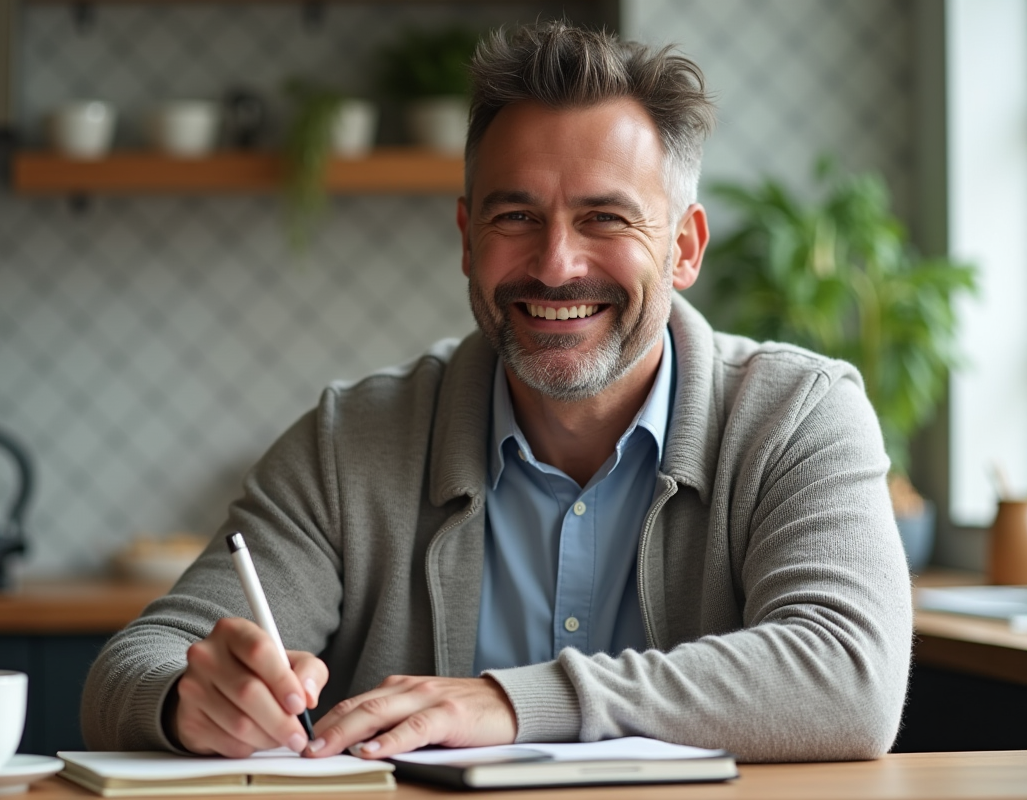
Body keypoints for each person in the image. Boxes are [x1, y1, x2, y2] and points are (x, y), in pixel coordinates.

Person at [81, 21, 912, 763]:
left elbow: (848, 677)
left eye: (606, 219)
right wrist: (192, 702)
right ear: (467, 239)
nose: (555, 264)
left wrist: (514, 703)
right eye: (515, 217)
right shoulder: (351, 441)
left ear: (685, 248)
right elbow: (138, 663)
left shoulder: (798, 413)